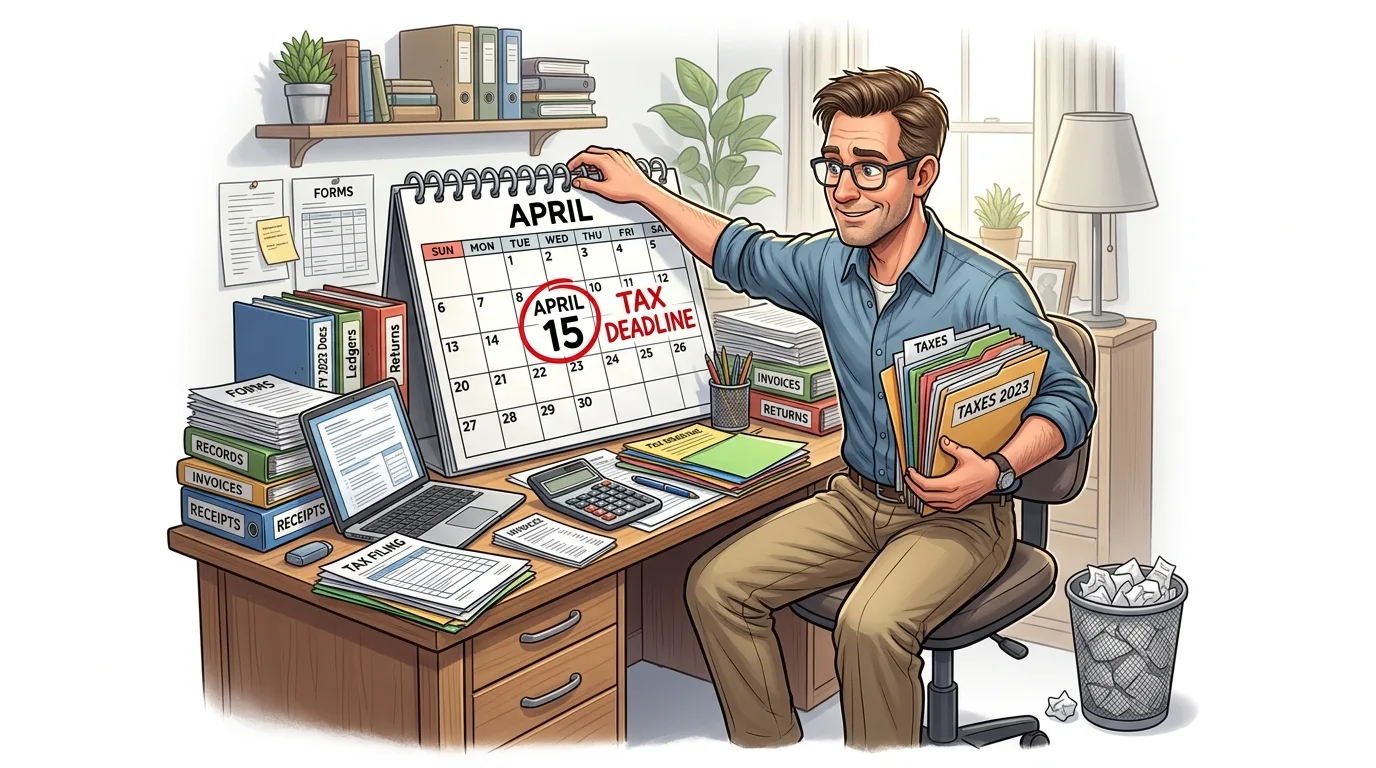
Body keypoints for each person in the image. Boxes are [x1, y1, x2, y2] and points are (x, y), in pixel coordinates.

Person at [566, 67, 1095, 751]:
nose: (843, 191)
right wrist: (643, 191)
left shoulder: (985, 287)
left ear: (922, 174)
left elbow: (1069, 398)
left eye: (870, 169)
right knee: (716, 586)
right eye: (834, 166)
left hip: (961, 516)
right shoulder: (828, 266)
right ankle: (772, 747)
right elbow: (740, 252)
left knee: (869, 629)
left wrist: (994, 471)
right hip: (856, 502)